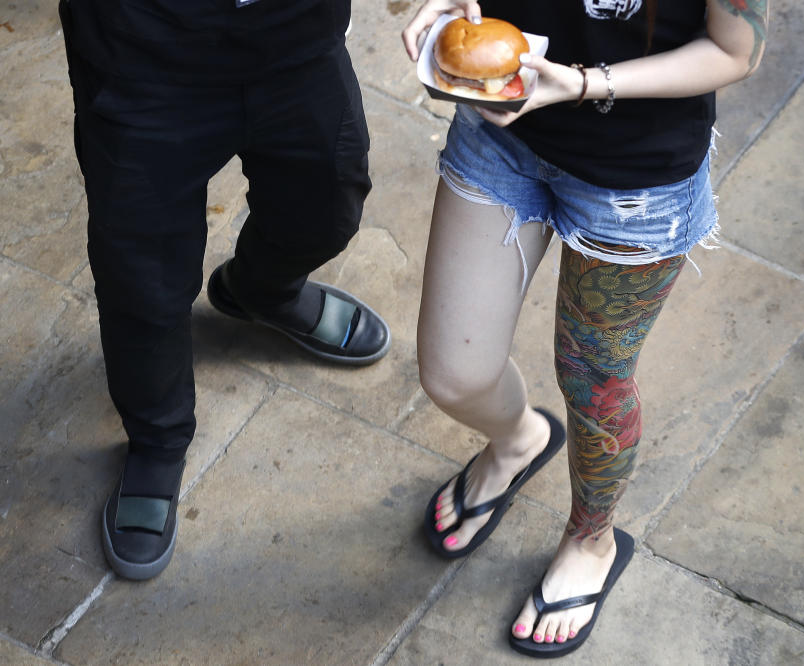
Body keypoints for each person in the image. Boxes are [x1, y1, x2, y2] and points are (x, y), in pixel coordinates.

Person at [403, 0, 767, 657]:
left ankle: (590, 540)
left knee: (594, 378)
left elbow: (736, 50)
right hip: (499, 134)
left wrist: (586, 82)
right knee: (455, 375)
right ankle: (517, 441)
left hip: (636, 183)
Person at [58, 0, 390, 581]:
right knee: (142, 276)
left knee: (326, 205)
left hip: (294, 33)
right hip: (143, 49)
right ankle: (156, 440)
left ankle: (263, 289)